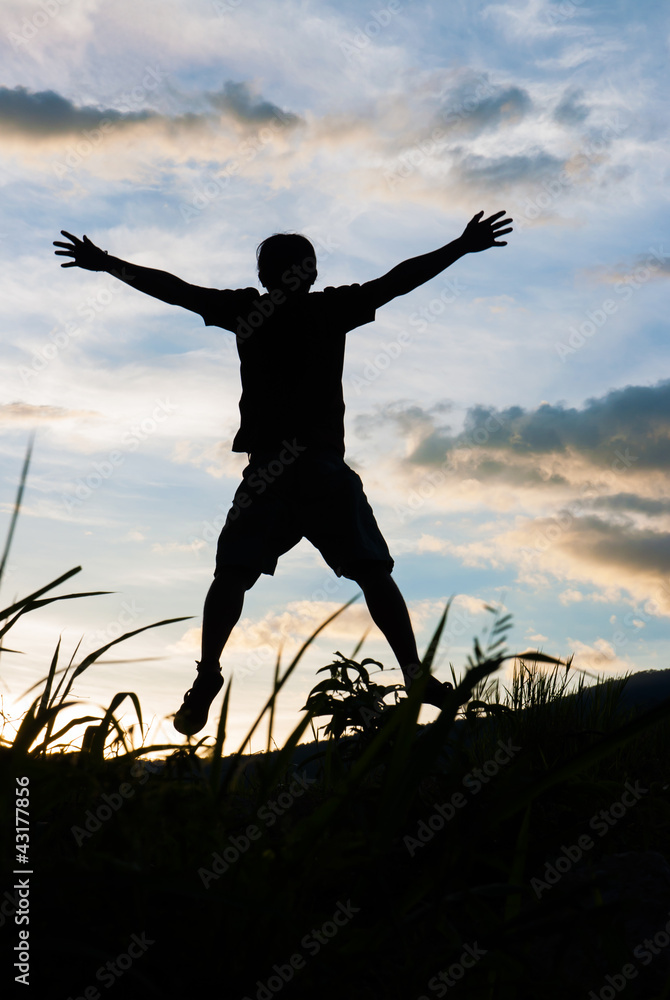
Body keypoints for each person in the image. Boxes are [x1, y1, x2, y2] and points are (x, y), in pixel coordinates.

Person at [54, 209, 512, 735]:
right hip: (320, 469)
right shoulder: (330, 309)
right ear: (311, 272)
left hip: (270, 471)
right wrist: (459, 246)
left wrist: (106, 263)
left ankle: (207, 675)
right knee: (373, 573)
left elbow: (174, 290)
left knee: (231, 576)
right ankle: (412, 671)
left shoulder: (247, 310)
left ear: (266, 275)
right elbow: (397, 281)